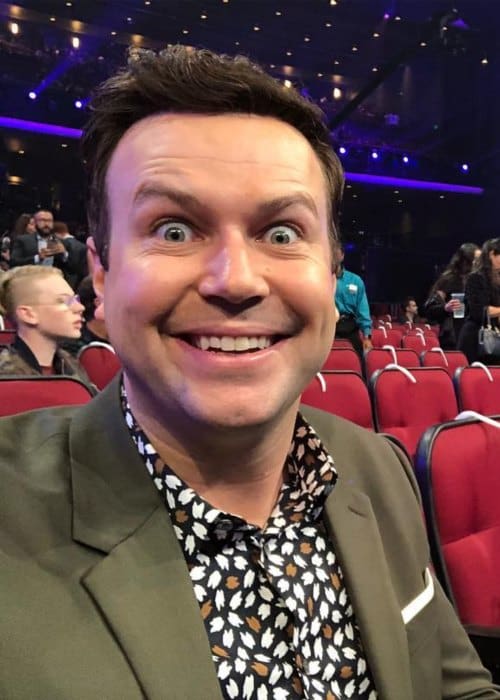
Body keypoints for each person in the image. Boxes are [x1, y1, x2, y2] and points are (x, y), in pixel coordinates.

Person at [0, 46, 498, 700]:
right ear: (100, 269)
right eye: (174, 230)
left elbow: (454, 685)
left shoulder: (377, 468)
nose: (235, 280)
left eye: (284, 233)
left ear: (331, 270)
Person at [0, 265, 89, 381]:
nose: (80, 307)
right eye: (63, 301)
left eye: (75, 300)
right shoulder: (5, 377)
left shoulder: (72, 366)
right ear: (28, 314)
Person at [423, 242, 480, 349]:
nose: (479, 263)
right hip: (454, 336)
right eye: (476, 260)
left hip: (476, 337)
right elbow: (429, 308)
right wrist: (445, 308)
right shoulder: (448, 279)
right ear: (465, 261)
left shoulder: (479, 279)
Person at [457, 238, 500, 363]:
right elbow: (479, 311)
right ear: (492, 254)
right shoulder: (476, 278)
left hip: (495, 339)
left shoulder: (497, 279)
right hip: (477, 340)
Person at [10, 209, 74, 278]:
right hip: (30, 280)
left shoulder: (62, 242)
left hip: (54, 281)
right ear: (35, 222)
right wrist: (37, 258)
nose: (46, 224)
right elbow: (14, 262)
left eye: (49, 221)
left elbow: (73, 268)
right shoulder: (23, 240)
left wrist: (64, 254)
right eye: (42, 220)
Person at [334, 243, 372, 356]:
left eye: (336, 253)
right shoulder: (319, 279)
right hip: (327, 328)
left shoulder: (355, 280)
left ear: (342, 255)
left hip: (350, 327)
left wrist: (367, 336)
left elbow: (363, 309)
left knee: (358, 362)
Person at [53, 220, 89, 289]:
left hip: (64, 283)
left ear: (55, 234)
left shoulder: (60, 245)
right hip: (79, 285)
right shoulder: (83, 246)